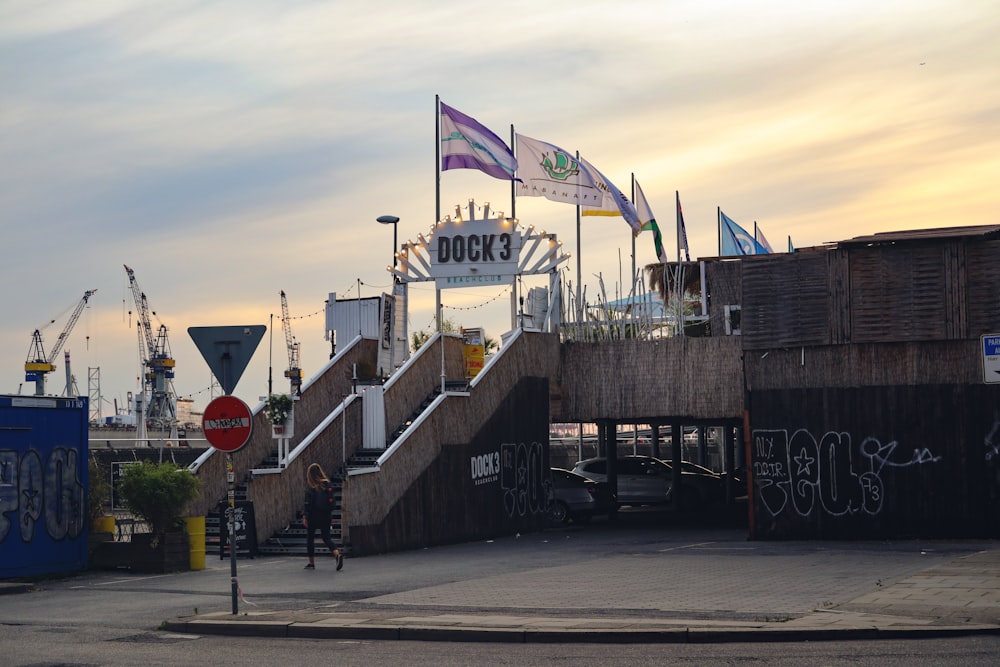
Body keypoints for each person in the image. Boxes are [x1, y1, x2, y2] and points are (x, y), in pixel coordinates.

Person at [303, 463, 344, 571]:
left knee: (310, 539)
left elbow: (308, 504)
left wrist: (305, 516)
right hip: (326, 515)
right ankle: (337, 554)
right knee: (326, 538)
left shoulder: (311, 488)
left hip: (313, 516)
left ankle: (311, 563)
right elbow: (332, 502)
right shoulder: (327, 485)